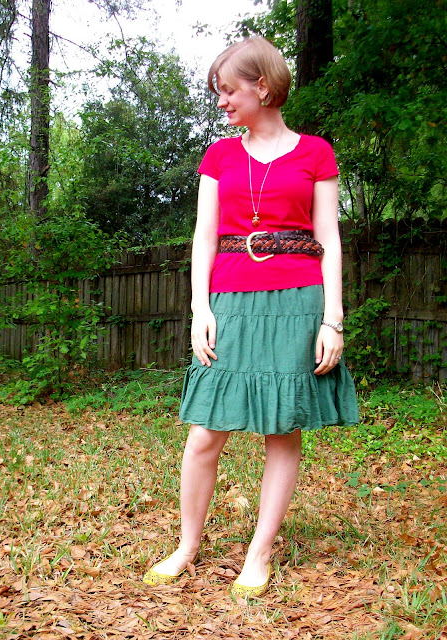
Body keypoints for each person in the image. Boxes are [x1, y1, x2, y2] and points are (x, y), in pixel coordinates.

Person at [143, 36, 358, 598]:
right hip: (231, 300)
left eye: (227, 90)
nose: (220, 101)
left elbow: (329, 240)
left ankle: (259, 553)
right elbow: (204, 238)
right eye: (217, 92)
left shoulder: (316, 153)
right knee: (204, 434)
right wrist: (199, 308)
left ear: (262, 86)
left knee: (281, 430)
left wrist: (332, 318)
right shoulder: (219, 156)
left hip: (296, 301)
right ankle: (186, 546)